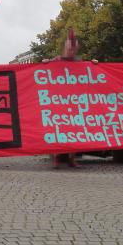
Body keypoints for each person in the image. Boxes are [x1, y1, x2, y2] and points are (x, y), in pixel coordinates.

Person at [43, 29, 99, 169]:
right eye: (69, 48)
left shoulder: (79, 62)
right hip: (59, 102)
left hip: (74, 103)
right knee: (59, 130)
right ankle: (57, 157)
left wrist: (93, 64)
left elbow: (87, 71)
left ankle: (71, 159)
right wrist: (44, 62)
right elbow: (45, 69)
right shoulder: (56, 61)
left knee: (74, 130)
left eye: (74, 48)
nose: (71, 51)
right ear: (65, 48)